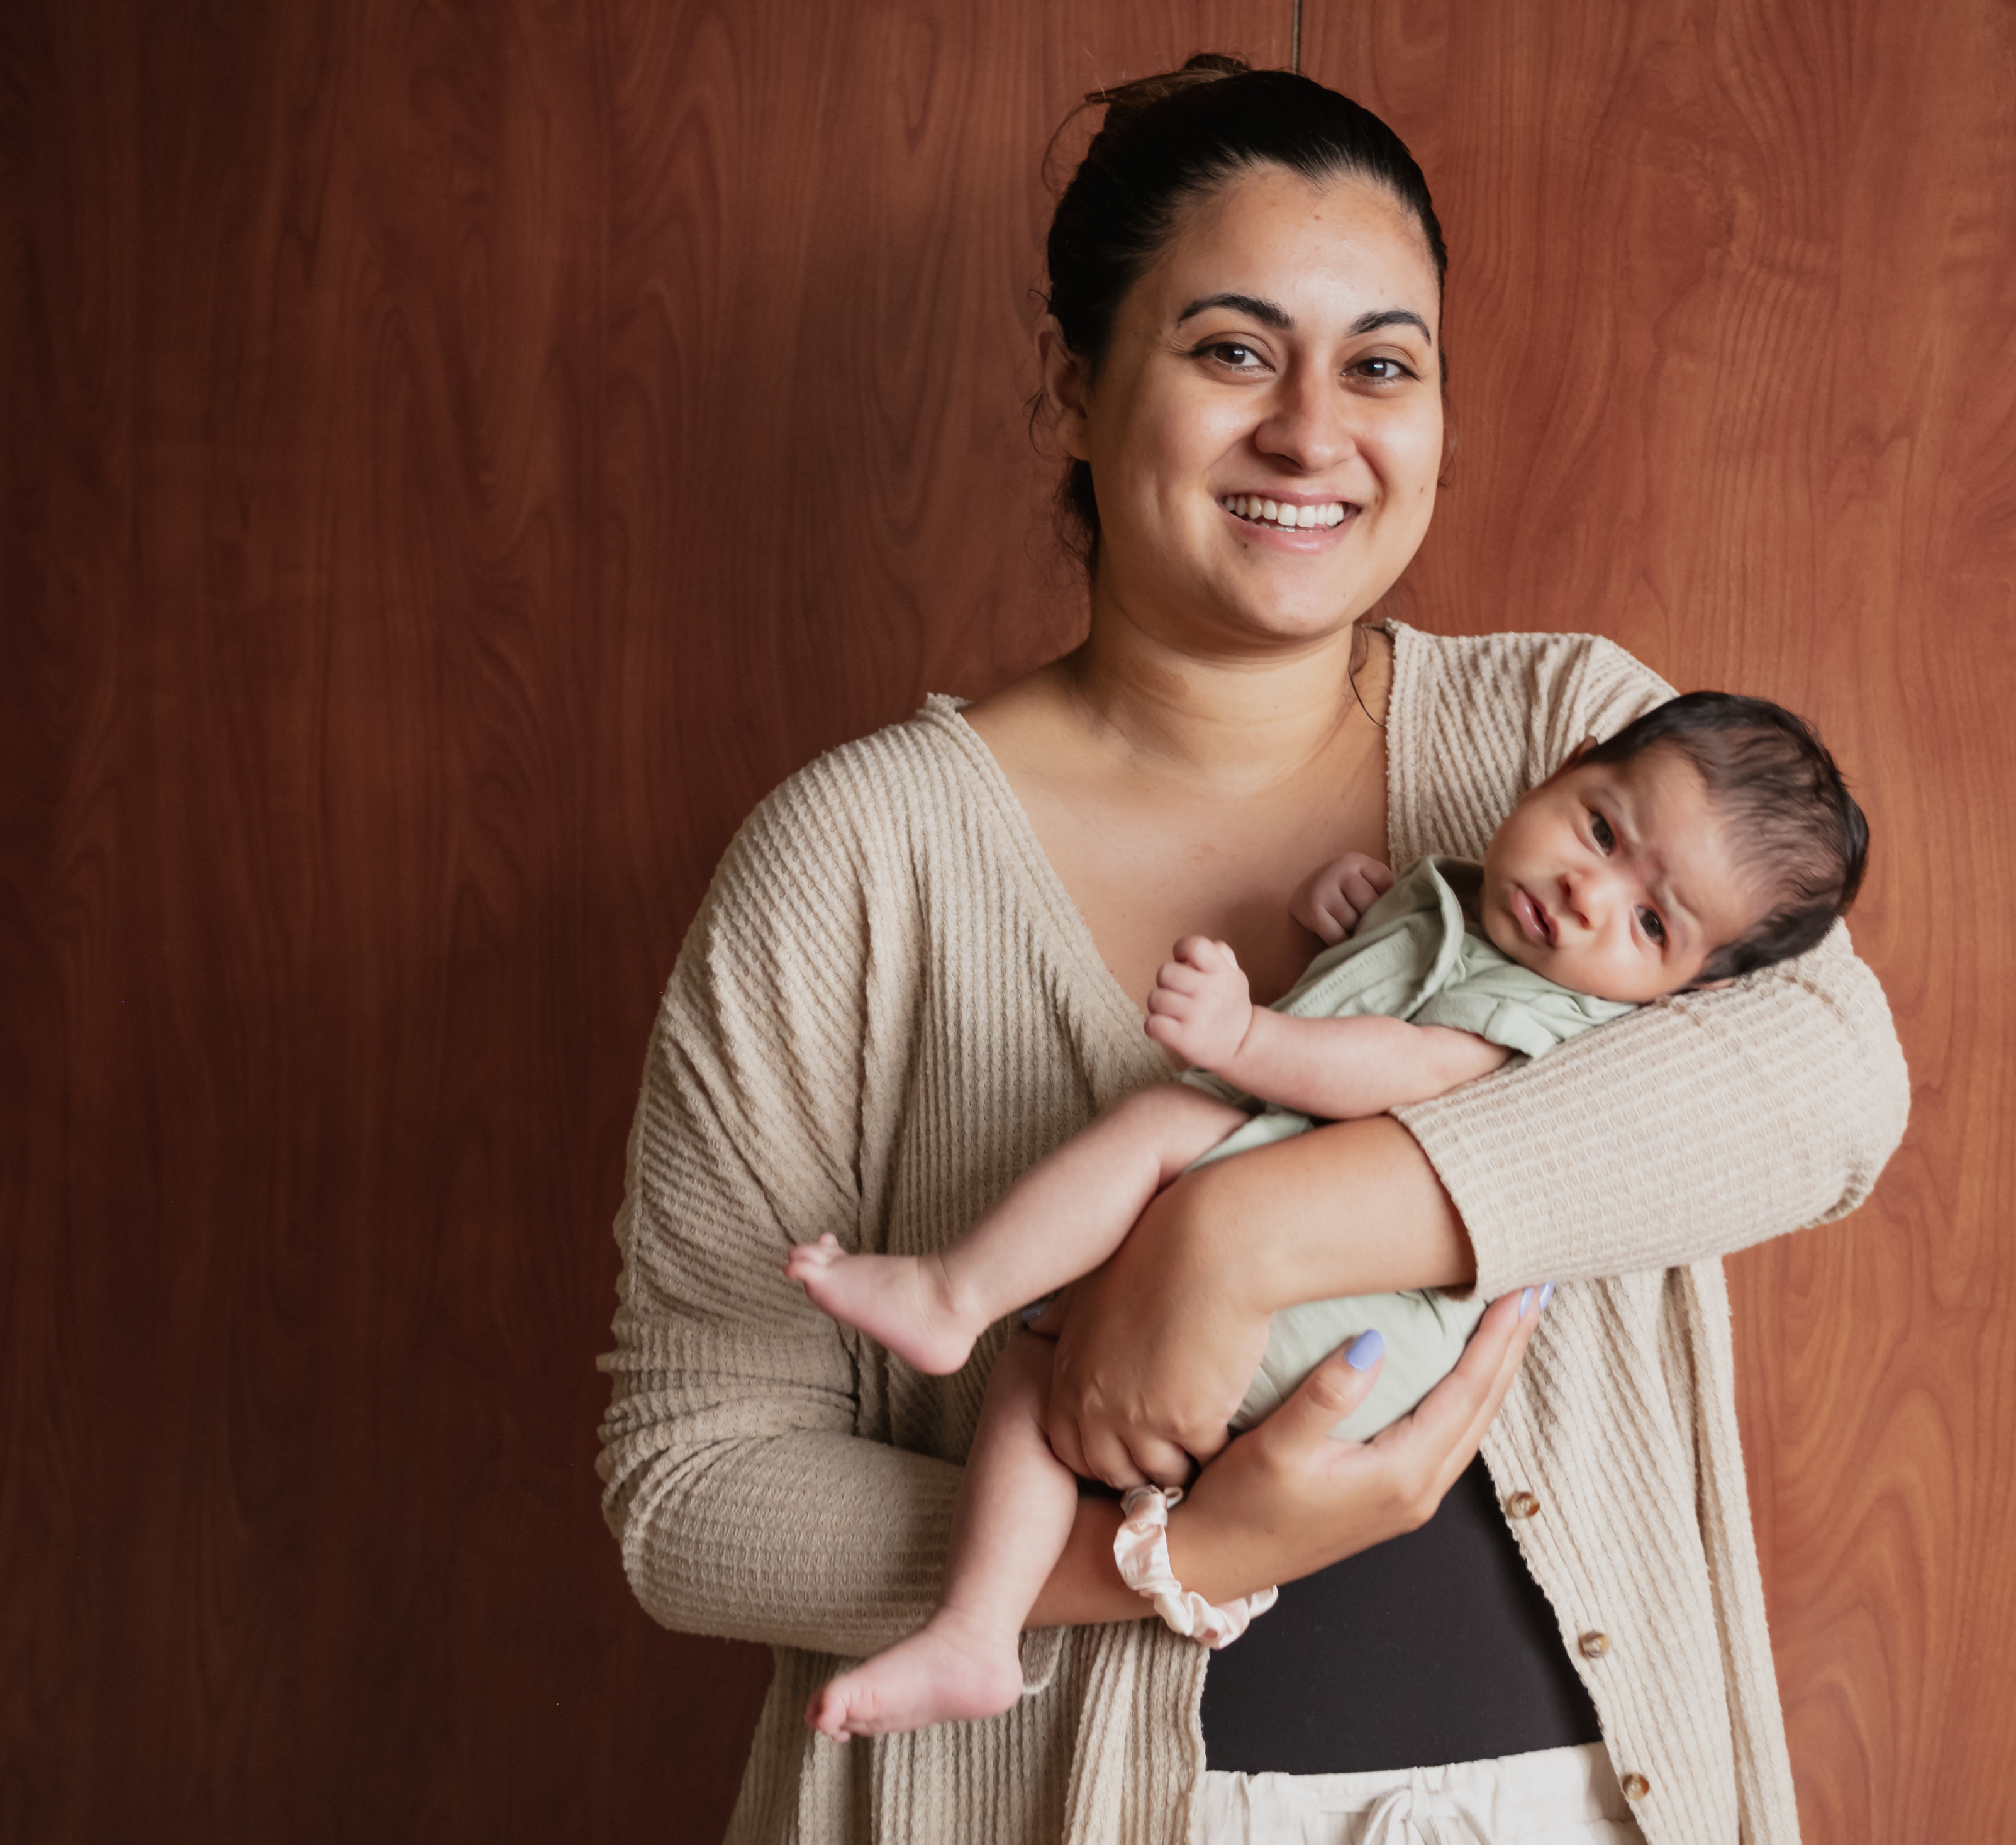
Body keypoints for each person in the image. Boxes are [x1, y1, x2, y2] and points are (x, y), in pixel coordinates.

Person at [597, 54, 1908, 1845]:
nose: (1313, 431)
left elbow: (1833, 1082)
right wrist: (1164, 1555)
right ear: (1078, 384)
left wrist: (1253, 1226)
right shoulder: (855, 857)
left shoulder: (1579, 740)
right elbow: (690, 1493)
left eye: (1381, 363)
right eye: (1232, 351)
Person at [782, 691, 1868, 1741]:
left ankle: (953, 1290)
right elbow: (1383, 996)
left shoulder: (1550, 1009)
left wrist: (1246, 1039)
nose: (1590, 892)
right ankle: (975, 1629)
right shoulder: (1456, 903)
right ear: (1563, 761)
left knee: (1165, 1120)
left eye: (1648, 922)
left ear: (1684, 992)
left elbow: (1399, 1062)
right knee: (1032, 1374)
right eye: (1600, 827)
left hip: (1344, 1323)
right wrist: (1359, 926)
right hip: (1284, 1334)